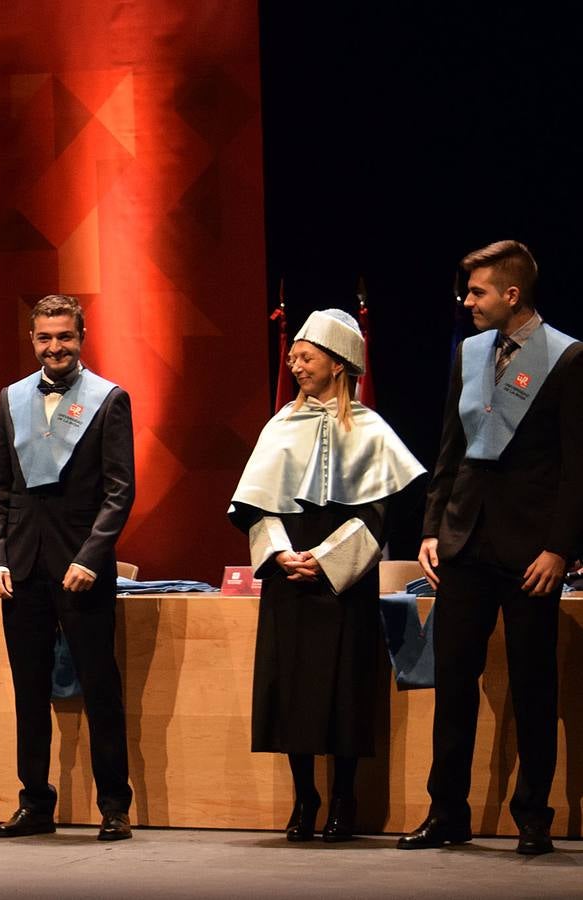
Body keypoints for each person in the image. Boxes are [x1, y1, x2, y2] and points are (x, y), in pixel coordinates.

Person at [401, 241, 583, 856]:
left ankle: (534, 816)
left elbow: (577, 467)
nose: (467, 301)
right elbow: (449, 449)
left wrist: (560, 548)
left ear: (512, 294)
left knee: (534, 688)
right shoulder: (470, 352)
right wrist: (431, 528)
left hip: (531, 552)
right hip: (463, 542)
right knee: (452, 685)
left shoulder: (566, 357)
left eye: (478, 291)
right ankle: (446, 812)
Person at [229, 309, 425, 842]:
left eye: (306, 356)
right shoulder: (280, 426)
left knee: (342, 688)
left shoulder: (371, 429)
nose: (294, 365)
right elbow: (255, 507)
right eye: (293, 356)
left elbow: (381, 513)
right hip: (288, 576)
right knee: (292, 687)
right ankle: (304, 798)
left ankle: (343, 797)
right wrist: (279, 554)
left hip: (343, 579)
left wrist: (329, 559)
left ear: (338, 364)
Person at [0, 294, 136, 841]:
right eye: (45, 338)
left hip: (82, 568)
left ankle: (114, 805)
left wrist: (92, 558)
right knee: (29, 690)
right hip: (21, 569)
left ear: (82, 336)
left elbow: (119, 492)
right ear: (32, 340)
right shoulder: (11, 398)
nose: (55, 347)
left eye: (64, 336)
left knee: (100, 687)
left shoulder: (109, 400)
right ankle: (35, 803)